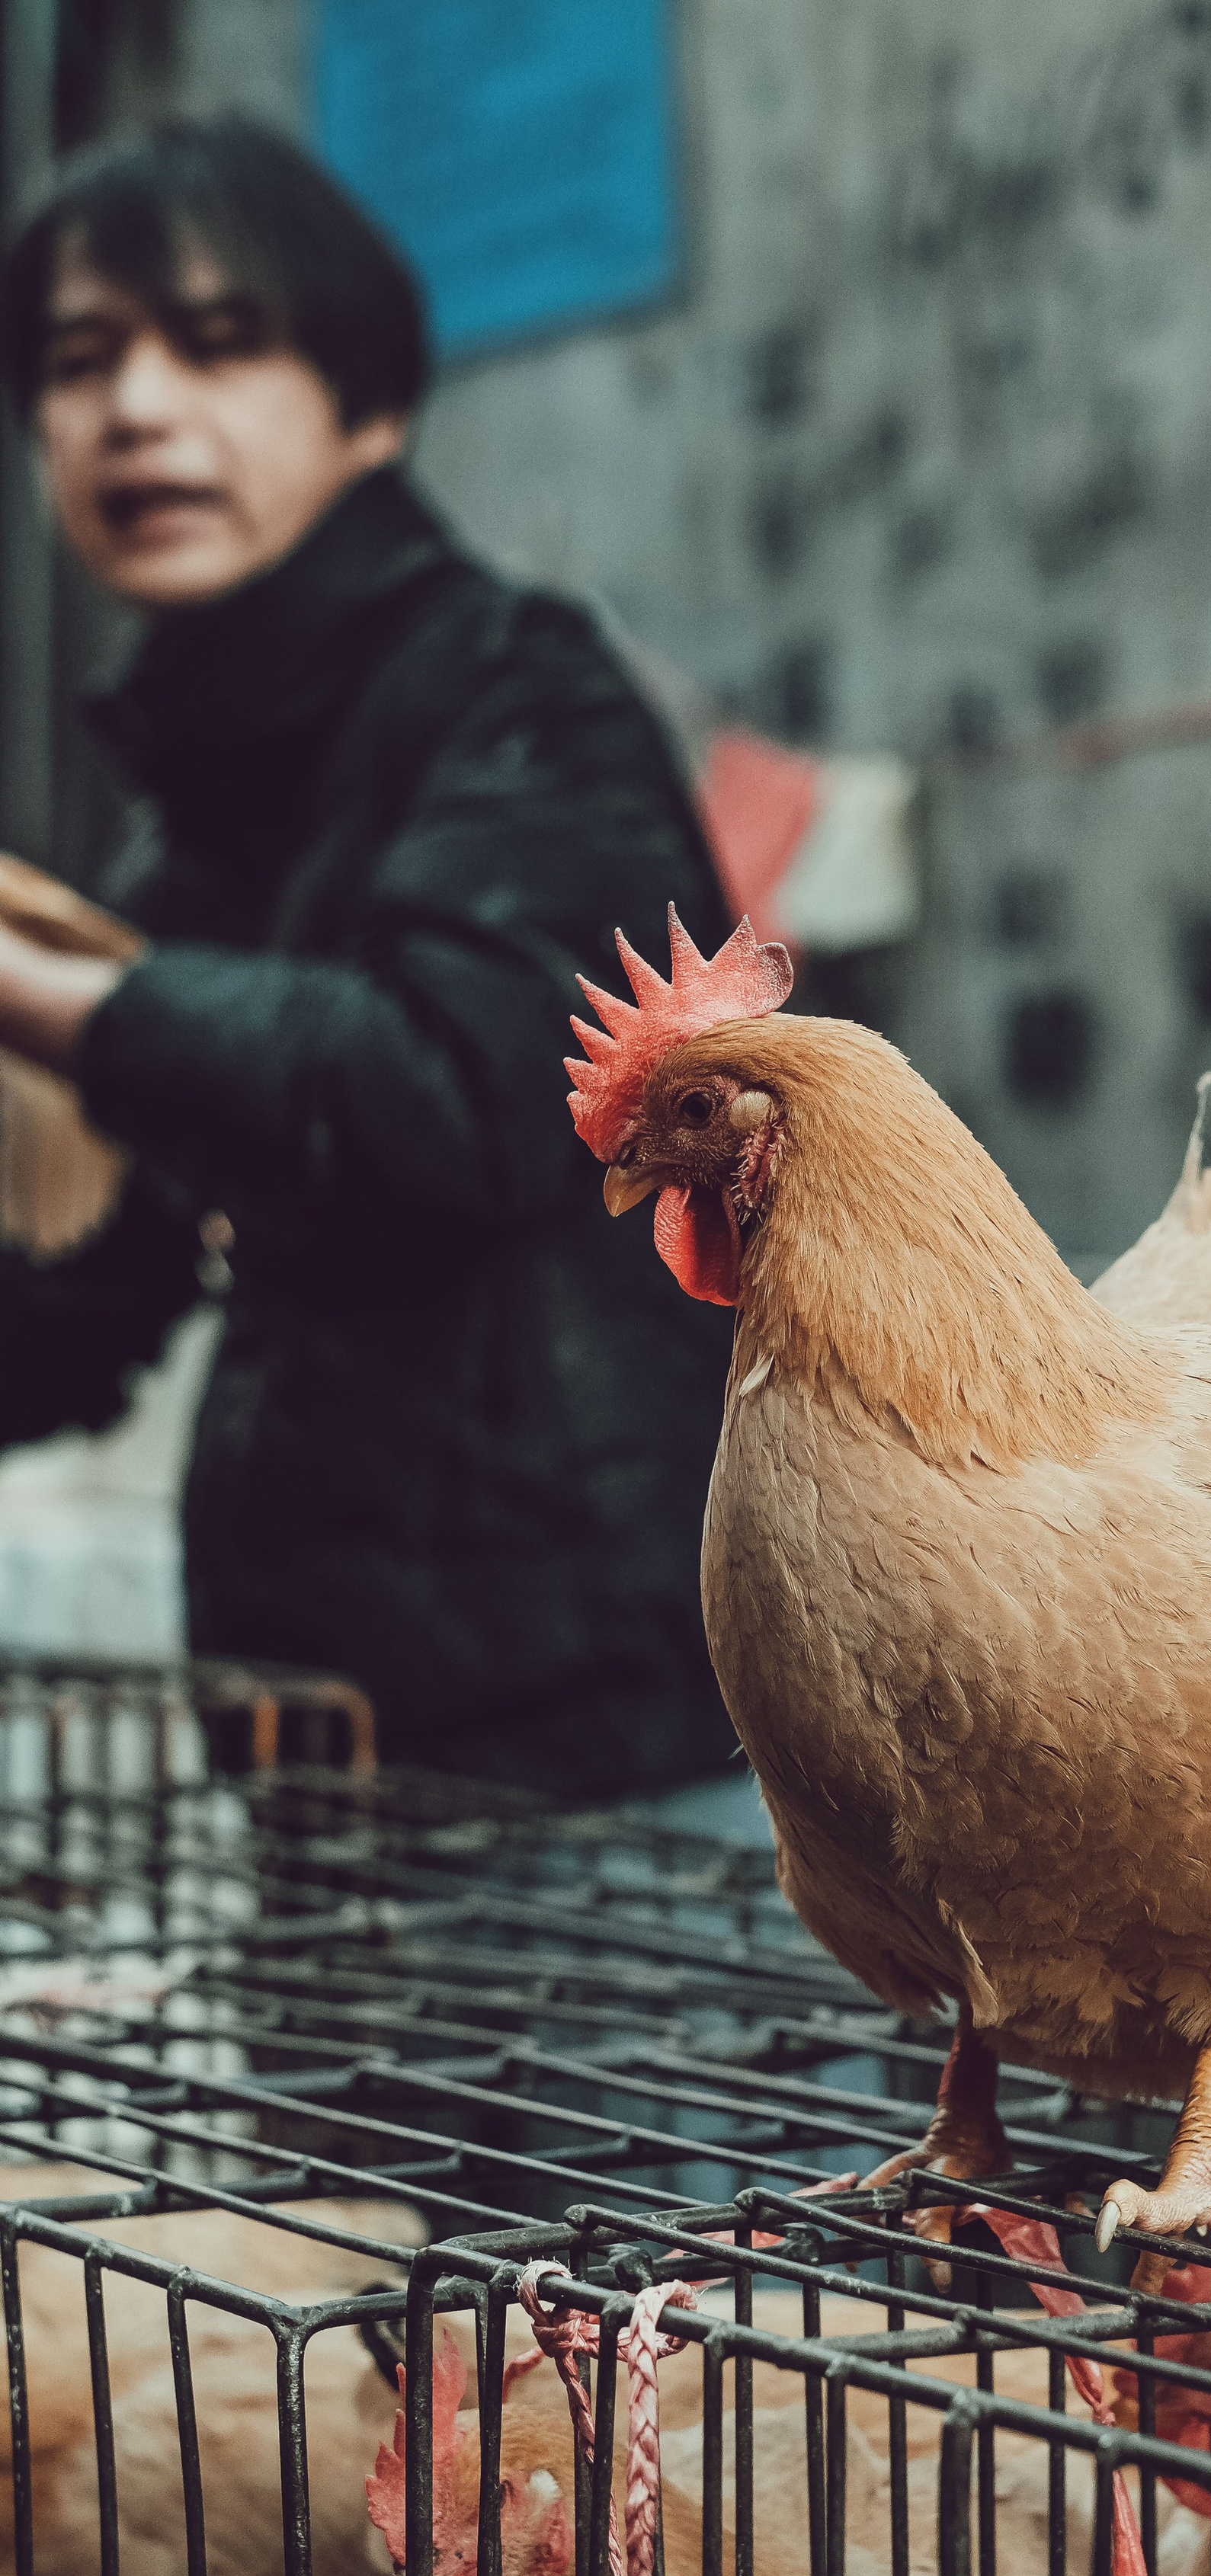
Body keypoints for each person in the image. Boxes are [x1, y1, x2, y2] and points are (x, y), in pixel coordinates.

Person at [0, 117, 740, 1795]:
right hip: (331, 1763)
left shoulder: (518, 695)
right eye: (77, 360)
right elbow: (94, 1288)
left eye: (217, 342)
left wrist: (40, 994)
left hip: (618, 1765)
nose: (133, 409)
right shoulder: (200, 827)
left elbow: (467, 1087)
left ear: (370, 404)